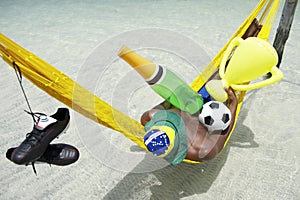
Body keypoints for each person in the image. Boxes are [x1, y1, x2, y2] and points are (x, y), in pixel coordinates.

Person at [141, 87, 238, 165]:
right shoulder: (203, 150)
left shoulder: (153, 116)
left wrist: (171, 98)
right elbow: (224, 132)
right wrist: (233, 103)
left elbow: (145, 117)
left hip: (194, 102)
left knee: (213, 81)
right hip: (213, 114)